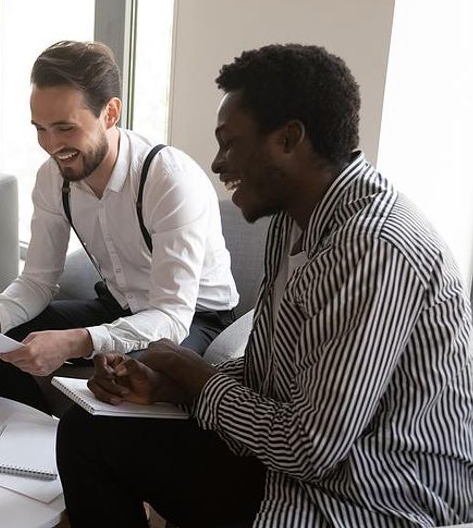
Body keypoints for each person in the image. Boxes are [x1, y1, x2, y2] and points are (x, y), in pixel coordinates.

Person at [57, 44, 473, 527]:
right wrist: (169, 386)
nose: (217, 164)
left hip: (373, 496)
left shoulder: (374, 248)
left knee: (95, 440)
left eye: (230, 143)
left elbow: (311, 447)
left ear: (289, 139)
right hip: (307, 471)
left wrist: (198, 378)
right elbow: (270, 377)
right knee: (88, 428)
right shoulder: (295, 222)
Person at [0, 41, 238, 415]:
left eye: (65, 128)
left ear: (110, 113)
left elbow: (171, 316)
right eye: (40, 129)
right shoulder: (52, 178)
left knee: (125, 378)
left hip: (194, 317)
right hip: (119, 303)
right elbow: (38, 279)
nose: (51, 146)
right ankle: (36, 438)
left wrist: (75, 342)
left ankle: (75, 443)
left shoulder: (167, 179)